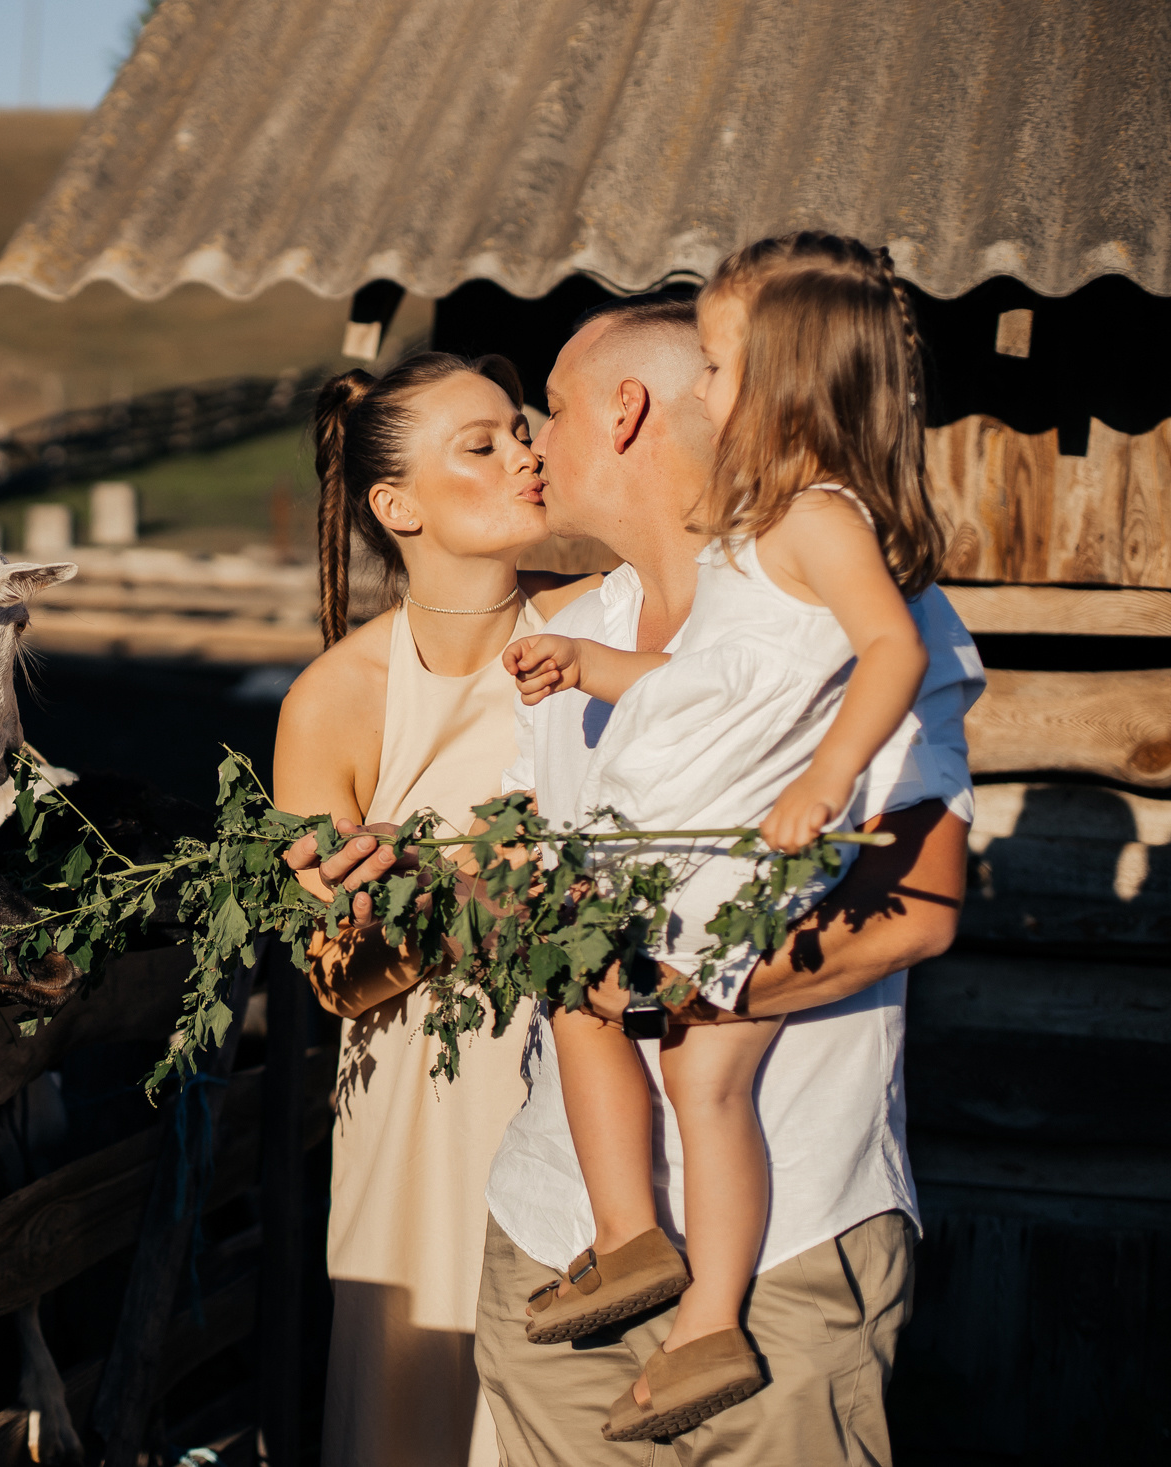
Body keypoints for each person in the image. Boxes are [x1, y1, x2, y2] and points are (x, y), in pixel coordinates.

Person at [434, 284, 976, 1465]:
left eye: (551, 409)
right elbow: (520, 865)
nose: (535, 442)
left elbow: (917, 911)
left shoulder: (853, 607)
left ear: (624, 411)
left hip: (786, 1249)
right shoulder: (578, 631)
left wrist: (686, 994)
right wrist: (451, 892)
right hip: (554, 1230)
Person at [271, 350, 599, 1467]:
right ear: (396, 506)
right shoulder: (337, 697)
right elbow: (333, 978)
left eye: (522, 431)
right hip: (419, 1095)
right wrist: (464, 897)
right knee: (418, 1418)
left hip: (587, 1075)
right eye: (483, 444)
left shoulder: (600, 629)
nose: (525, 455)